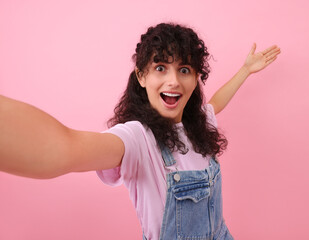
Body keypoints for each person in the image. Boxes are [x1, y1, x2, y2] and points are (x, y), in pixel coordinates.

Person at [0, 23, 280, 239]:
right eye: (160, 68)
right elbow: (65, 148)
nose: (173, 81)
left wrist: (245, 70)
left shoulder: (197, 123)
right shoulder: (137, 138)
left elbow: (216, 102)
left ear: (196, 78)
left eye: (184, 70)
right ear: (142, 76)